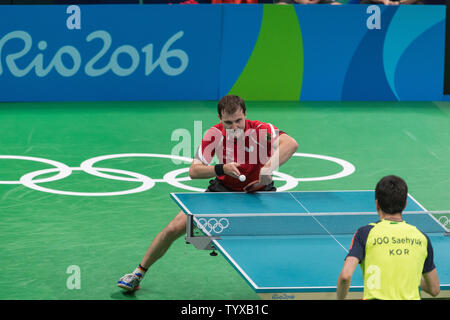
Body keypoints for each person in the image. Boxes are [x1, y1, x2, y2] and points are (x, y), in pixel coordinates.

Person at [117, 94, 299, 291]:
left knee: (282, 235)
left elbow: (291, 144)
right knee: (173, 228)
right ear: (220, 119)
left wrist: (267, 170)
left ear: (245, 114)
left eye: (239, 120)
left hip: (259, 190)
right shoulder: (214, 135)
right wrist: (221, 168)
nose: (235, 127)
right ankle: (138, 273)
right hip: (223, 189)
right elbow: (193, 171)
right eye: (228, 122)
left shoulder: (261, 129)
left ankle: (289, 282)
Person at [336, 175, 440, 300]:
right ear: (405, 203)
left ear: (377, 204)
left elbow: (345, 276)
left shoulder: (365, 233)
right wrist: (411, 277)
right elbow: (434, 289)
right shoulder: (422, 238)